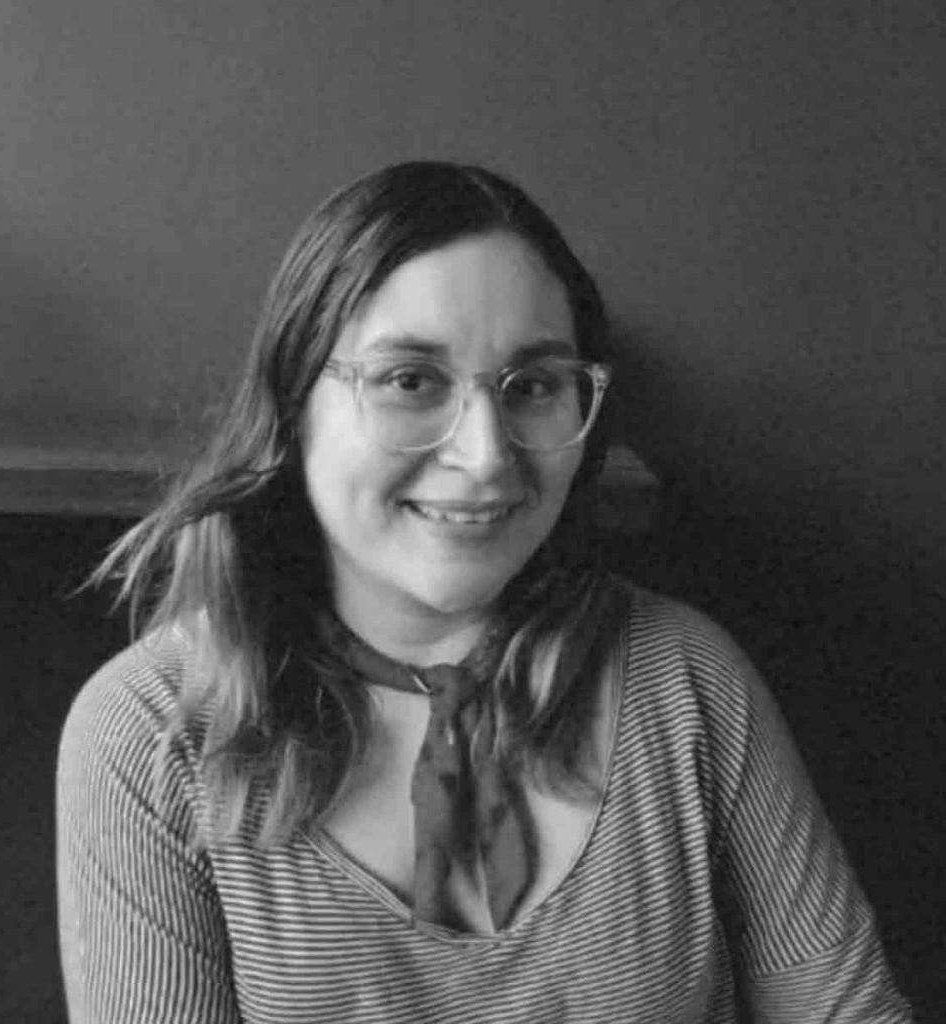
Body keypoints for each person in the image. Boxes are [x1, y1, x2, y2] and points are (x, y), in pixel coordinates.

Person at [56, 161, 912, 1023]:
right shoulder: (148, 733)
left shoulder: (684, 678)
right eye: (410, 380)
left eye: (532, 387)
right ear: (294, 404)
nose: (486, 456)